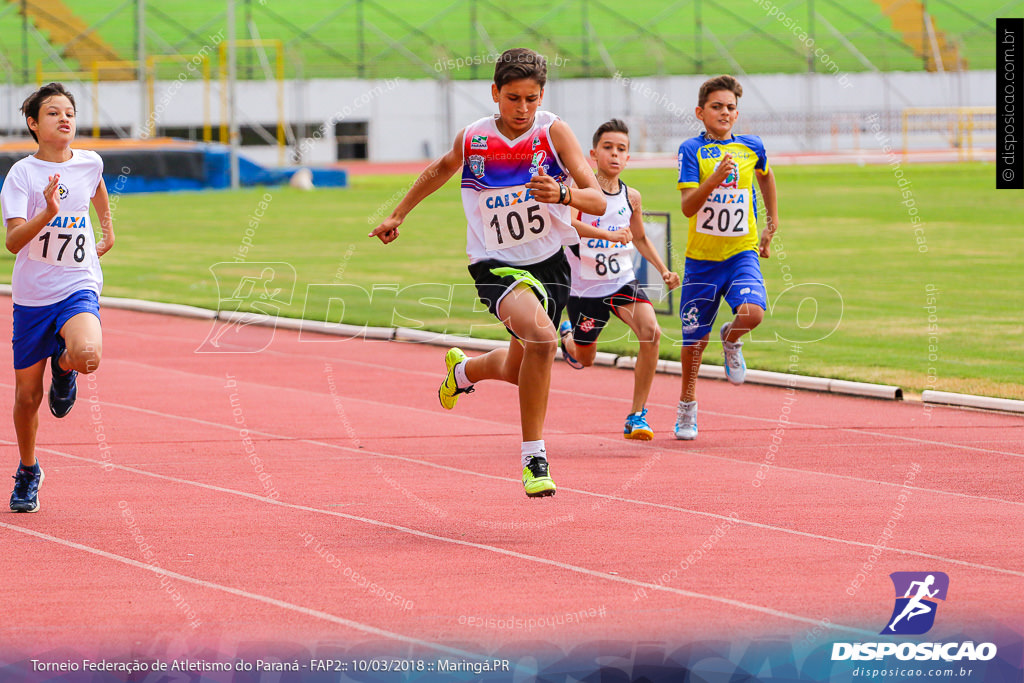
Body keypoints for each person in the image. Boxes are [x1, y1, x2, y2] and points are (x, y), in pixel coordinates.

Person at [369, 49, 605, 497]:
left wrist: (562, 194)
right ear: (494, 93)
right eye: (513, 98)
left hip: (551, 263)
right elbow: (440, 169)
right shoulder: (475, 138)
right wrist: (398, 214)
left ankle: (465, 373)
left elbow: (596, 199)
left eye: (532, 99)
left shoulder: (554, 133)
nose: (522, 110)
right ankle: (534, 457)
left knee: (523, 368)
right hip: (493, 264)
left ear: (542, 96)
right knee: (543, 341)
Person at [1, 82, 114, 512]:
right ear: (33, 123)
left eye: (69, 111)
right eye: (53, 113)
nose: (64, 118)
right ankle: (28, 470)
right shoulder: (22, 175)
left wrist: (107, 227)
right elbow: (12, 242)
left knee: (87, 355)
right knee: (27, 397)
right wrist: (47, 213)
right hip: (33, 296)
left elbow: (97, 186)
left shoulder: (90, 162)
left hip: (77, 283)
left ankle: (64, 370)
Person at [558, 119, 680, 440]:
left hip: (622, 283)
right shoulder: (577, 191)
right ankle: (568, 339)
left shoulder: (632, 197)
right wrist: (607, 234)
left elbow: (639, 238)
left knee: (651, 332)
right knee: (585, 358)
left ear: (628, 158)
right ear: (593, 154)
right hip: (584, 289)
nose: (614, 154)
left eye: (621, 149)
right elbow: (570, 225)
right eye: (608, 148)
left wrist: (662, 269)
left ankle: (637, 415)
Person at [674, 75, 778, 440]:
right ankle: (687, 404)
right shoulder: (691, 150)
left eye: (731, 107)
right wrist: (715, 179)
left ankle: (731, 338)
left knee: (754, 313)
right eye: (717, 107)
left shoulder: (751, 147)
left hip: (741, 252)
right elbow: (688, 207)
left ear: (738, 112)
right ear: (701, 112)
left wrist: (771, 222)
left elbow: (766, 176)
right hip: (702, 261)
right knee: (693, 342)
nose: (725, 112)